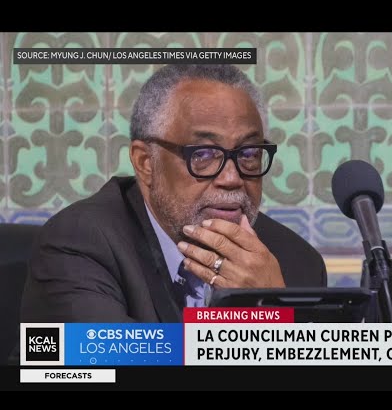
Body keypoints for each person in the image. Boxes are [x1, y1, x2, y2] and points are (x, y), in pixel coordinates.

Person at [21, 64, 327, 323]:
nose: (232, 178)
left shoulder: (295, 261)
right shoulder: (80, 244)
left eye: (248, 153)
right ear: (146, 163)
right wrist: (266, 323)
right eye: (203, 154)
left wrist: (276, 307)